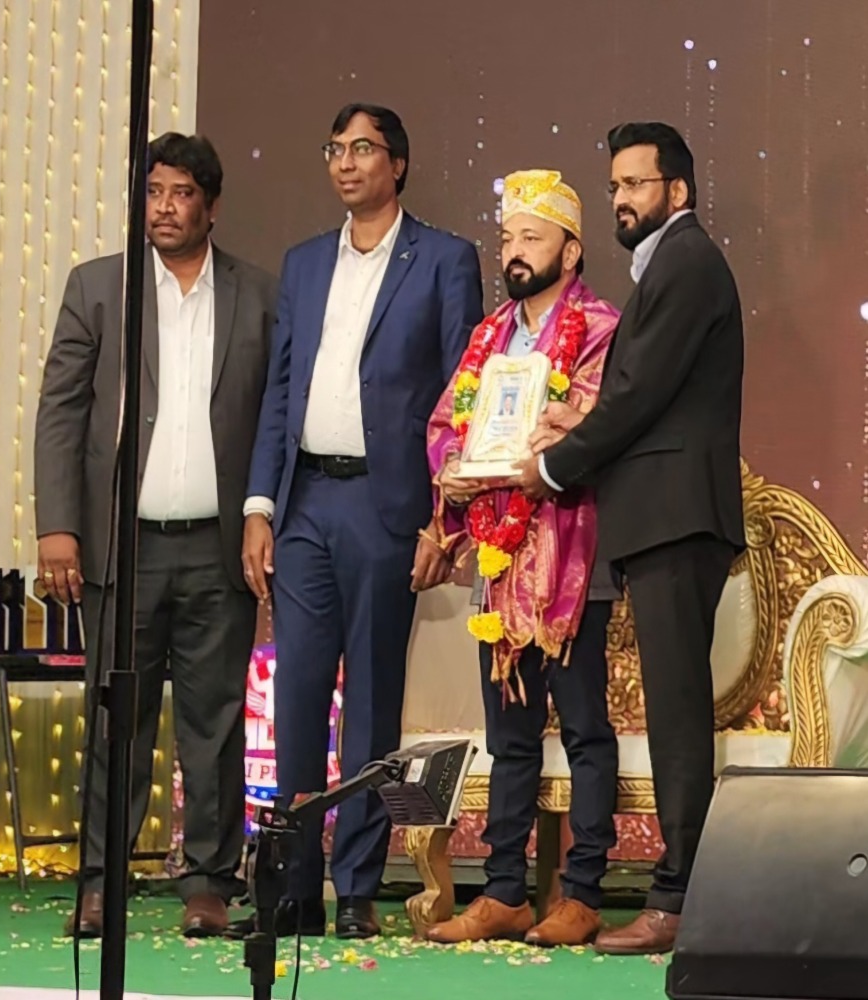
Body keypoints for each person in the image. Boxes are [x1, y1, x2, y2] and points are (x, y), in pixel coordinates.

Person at [242, 103, 484, 940]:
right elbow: (280, 392)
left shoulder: (444, 259)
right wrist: (261, 506)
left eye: (362, 149)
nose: (345, 163)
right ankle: (293, 888)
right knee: (299, 697)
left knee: (374, 706)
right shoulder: (305, 263)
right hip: (306, 501)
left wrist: (443, 519)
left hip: (388, 506)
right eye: (334, 149)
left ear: (398, 163)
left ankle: (356, 889)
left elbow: (461, 394)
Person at [34, 133, 275, 938]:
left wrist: (263, 515)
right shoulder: (100, 287)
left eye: (181, 193)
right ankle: (101, 882)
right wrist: (59, 527)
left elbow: (272, 419)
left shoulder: (258, 295)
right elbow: (61, 412)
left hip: (217, 548)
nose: (165, 208)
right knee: (117, 721)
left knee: (215, 726)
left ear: (212, 204)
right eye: (154, 192)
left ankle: (207, 882)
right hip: (122, 550)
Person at [512, 123, 745, 955]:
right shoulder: (668, 264)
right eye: (613, 185)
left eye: (636, 184)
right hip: (662, 515)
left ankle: (679, 899)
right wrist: (580, 422)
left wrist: (555, 465)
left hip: (677, 516)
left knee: (677, 713)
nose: (620, 198)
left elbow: (640, 393)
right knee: (674, 706)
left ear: (676, 191)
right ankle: (680, 893)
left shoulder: (685, 261)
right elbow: (646, 396)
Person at [422, 170, 621, 946]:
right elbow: (449, 420)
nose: (515, 251)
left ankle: (583, 891)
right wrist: (452, 462)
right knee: (509, 735)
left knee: (585, 730)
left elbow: (601, 421)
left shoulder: (602, 328)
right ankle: (504, 890)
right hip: (502, 563)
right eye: (508, 237)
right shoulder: (488, 339)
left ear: (570, 252)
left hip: (574, 553)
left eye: (532, 238)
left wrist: (553, 437)